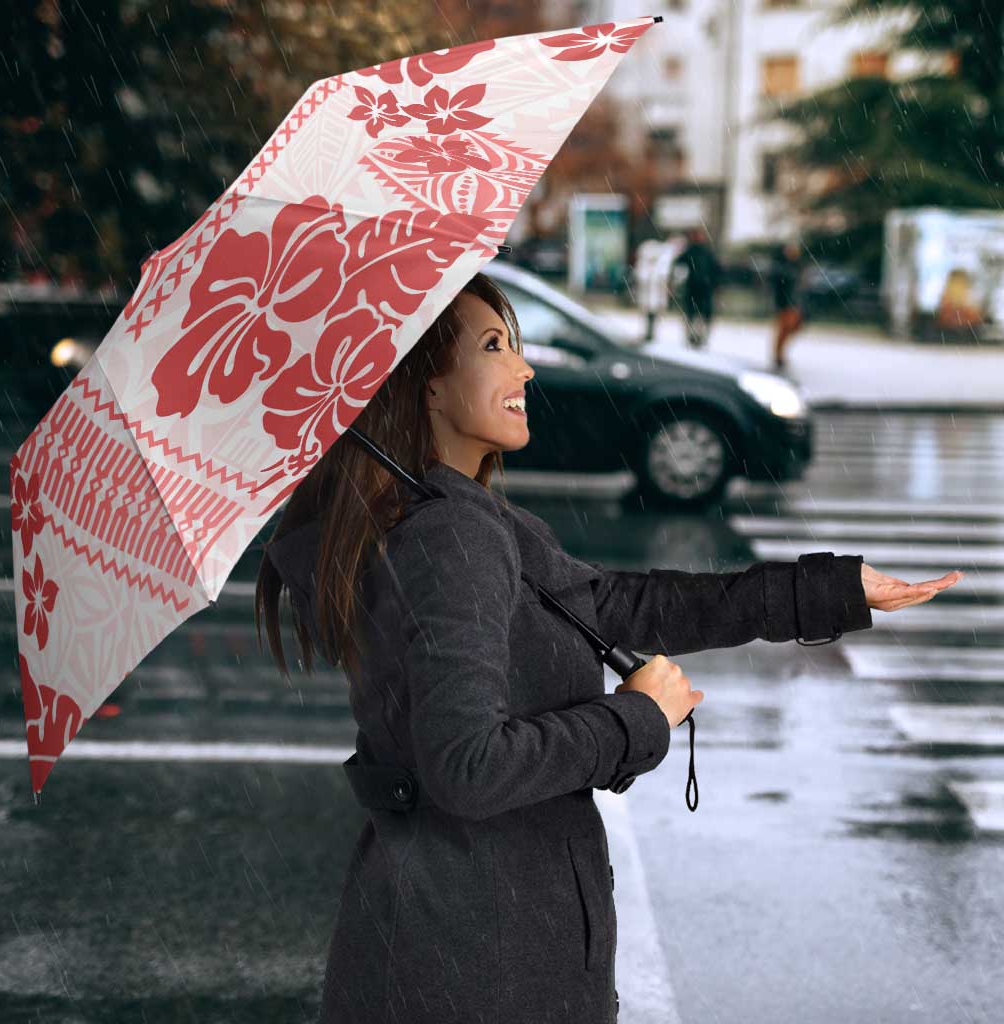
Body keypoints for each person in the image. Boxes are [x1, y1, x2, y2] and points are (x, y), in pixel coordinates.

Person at [256, 272, 961, 1024]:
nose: (524, 368)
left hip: (461, 943)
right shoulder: (449, 537)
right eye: (494, 346)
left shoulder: (460, 520)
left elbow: (624, 605)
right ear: (426, 387)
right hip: (476, 962)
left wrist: (830, 590)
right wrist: (635, 719)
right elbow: (467, 767)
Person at [672, 226, 722, 349]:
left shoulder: (705, 252)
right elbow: (678, 264)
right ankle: (693, 337)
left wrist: (715, 284)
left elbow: (716, 270)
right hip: (695, 288)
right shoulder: (692, 251)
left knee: (700, 315)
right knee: (693, 314)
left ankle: (699, 337)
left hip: (703, 288)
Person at [770, 239, 806, 370]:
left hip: (794, 303)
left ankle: (779, 354)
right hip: (785, 303)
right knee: (784, 329)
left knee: (792, 328)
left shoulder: (797, 266)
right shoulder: (782, 267)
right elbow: (779, 286)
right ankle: (778, 355)